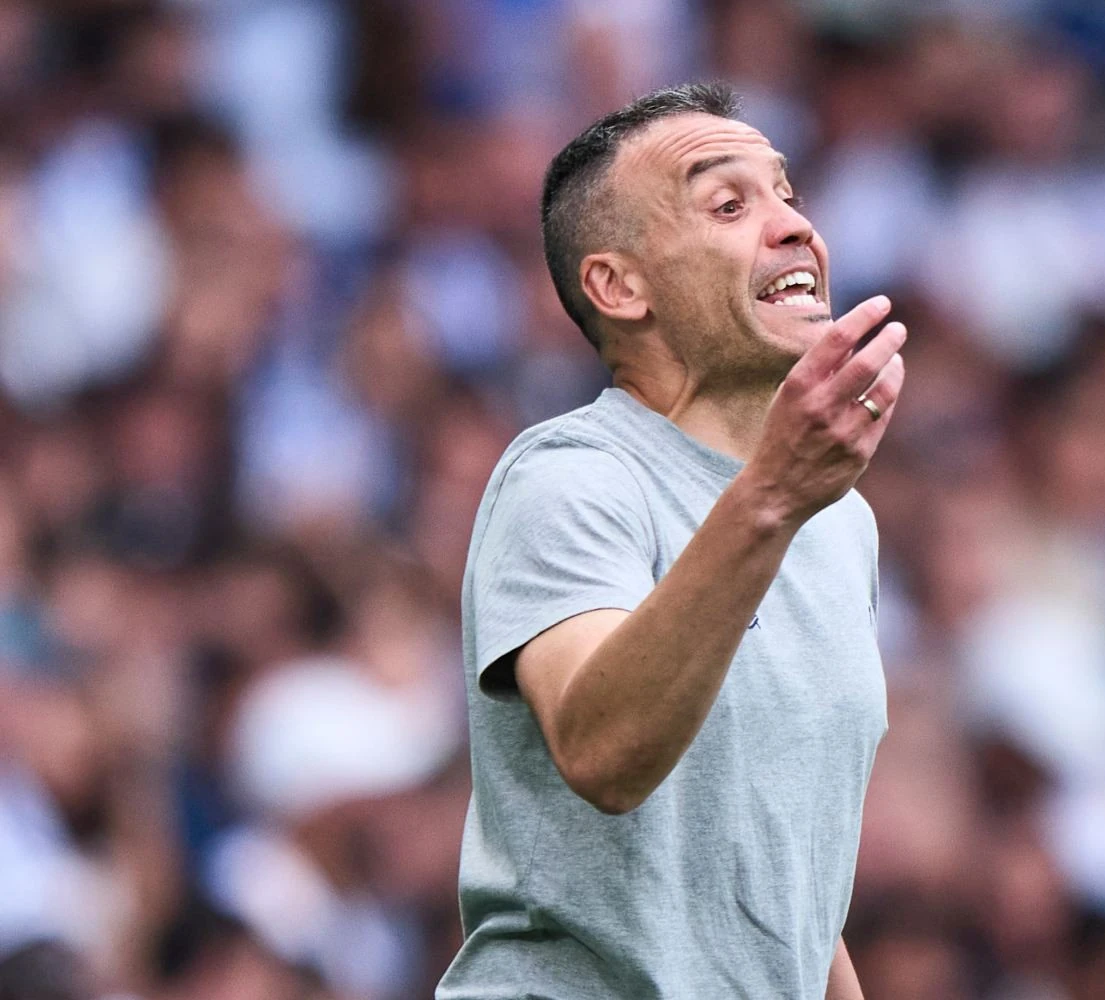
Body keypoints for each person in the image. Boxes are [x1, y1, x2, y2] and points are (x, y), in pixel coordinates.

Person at [436, 82, 906, 1000]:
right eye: (729, 204)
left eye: (787, 194)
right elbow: (603, 753)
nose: (794, 227)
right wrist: (772, 496)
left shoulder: (838, 519)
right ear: (619, 287)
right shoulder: (570, 478)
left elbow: (791, 893)